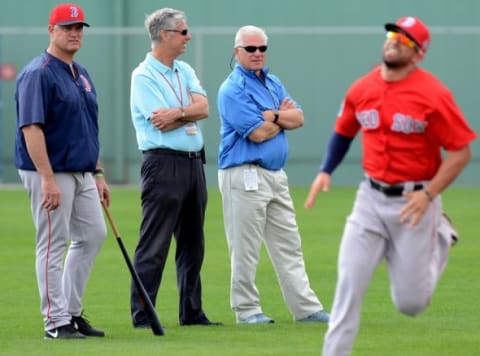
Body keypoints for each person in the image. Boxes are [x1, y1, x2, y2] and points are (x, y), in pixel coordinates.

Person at [304, 16, 477, 355]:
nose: (396, 40)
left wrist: (430, 195)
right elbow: (344, 132)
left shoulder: (434, 95)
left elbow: (461, 152)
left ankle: (441, 234)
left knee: (410, 303)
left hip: (415, 200)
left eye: (407, 39)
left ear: (419, 54)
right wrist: (326, 170)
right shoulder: (362, 88)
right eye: (394, 33)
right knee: (348, 286)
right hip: (369, 199)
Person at [217, 25, 330, 325]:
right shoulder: (232, 89)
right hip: (244, 174)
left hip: (275, 175)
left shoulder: (272, 82)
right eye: (250, 49)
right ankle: (247, 310)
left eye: (262, 48)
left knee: (289, 244)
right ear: (236, 51)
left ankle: (305, 308)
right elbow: (257, 133)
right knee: (245, 247)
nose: (257, 54)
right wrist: (279, 118)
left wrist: (273, 115)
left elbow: (300, 118)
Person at [15, 3, 110, 340]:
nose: (74, 33)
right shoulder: (38, 72)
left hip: (83, 171)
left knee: (93, 235)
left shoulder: (81, 73)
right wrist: (47, 178)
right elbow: (32, 129)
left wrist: (98, 173)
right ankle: (55, 322)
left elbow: (88, 127)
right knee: (53, 242)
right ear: (51, 31)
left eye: (79, 28)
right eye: (67, 27)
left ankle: (70, 311)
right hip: (50, 171)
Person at [129, 8, 221, 327]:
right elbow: (159, 121)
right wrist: (188, 112)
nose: (188, 36)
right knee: (154, 244)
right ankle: (143, 315)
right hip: (162, 164)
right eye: (183, 31)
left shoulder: (184, 70)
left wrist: (179, 113)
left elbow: (204, 108)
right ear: (165, 35)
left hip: (195, 164)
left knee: (193, 244)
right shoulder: (143, 75)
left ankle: (192, 313)